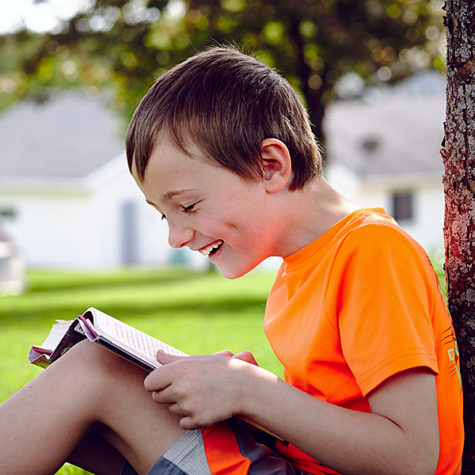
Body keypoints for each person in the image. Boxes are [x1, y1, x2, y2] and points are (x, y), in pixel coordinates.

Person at [0, 46, 463, 474]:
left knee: (94, 372)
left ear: (270, 166)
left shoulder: (371, 252)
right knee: (90, 405)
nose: (176, 237)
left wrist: (250, 390)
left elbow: (411, 457)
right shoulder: (299, 268)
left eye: (189, 206)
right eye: (164, 215)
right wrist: (239, 394)